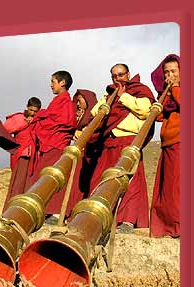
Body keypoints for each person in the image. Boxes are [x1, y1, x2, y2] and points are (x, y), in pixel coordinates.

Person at [88, 63, 155, 233]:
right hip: (108, 141)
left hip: (129, 141)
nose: (118, 79)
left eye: (121, 75)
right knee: (101, 179)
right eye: (114, 76)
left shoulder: (139, 89)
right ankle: (100, 218)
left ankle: (127, 221)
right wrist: (108, 99)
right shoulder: (109, 93)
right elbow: (95, 114)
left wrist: (124, 96)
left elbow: (146, 110)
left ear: (128, 74)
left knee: (130, 180)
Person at [26, 70, 77, 218]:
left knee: (54, 177)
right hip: (50, 144)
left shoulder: (66, 101)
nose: (51, 85)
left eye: (53, 81)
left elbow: (64, 122)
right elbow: (51, 117)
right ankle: (43, 210)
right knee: (43, 177)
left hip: (57, 145)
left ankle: (54, 213)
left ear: (62, 83)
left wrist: (40, 120)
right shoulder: (58, 100)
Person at [150, 54, 180, 238]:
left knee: (178, 188)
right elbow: (159, 116)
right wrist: (166, 93)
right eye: (167, 72)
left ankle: (180, 227)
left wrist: (175, 87)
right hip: (168, 143)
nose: (170, 75)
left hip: (181, 141)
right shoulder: (169, 95)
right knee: (166, 190)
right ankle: (166, 228)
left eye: (174, 71)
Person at [2, 97, 42, 212]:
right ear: (27, 107)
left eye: (35, 111)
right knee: (17, 184)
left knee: (28, 185)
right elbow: (5, 130)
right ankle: (10, 210)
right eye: (31, 110)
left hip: (33, 157)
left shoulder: (38, 121)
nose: (33, 113)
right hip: (20, 155)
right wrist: (24, 123)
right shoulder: (19, 118)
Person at [63, 89, 98, 217]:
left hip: (88, 155)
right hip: (76, 154)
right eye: (76, 101)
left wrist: (80, 134)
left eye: (80, 100)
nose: (77, 104)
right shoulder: (78, 115)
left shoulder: (94, 116)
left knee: (81, 184)